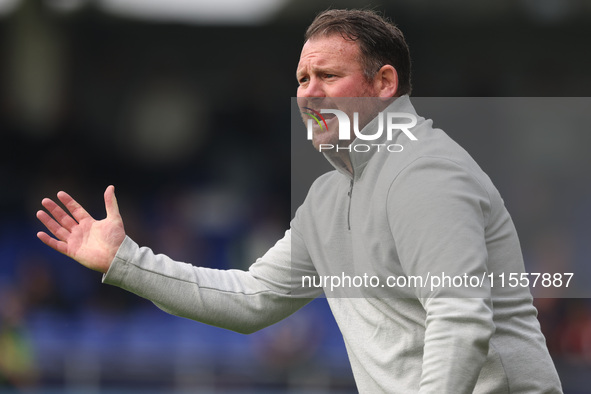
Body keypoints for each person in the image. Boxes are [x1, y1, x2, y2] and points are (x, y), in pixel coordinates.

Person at [37, 9, 563, 393]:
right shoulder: (327, 198)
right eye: (302, 79)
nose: (308, 94)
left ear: (384, 84)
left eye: (328, 76)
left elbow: (460, 320)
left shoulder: (427, 172)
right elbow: (252, 299)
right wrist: (126, 262)